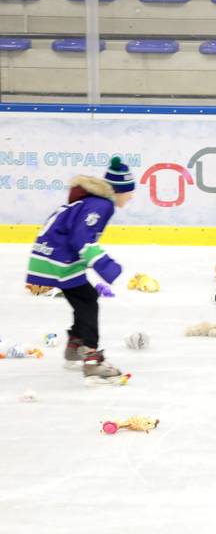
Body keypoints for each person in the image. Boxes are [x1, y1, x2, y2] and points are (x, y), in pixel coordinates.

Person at [25, 157, 135, 384]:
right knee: (87, 301)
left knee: (85, 297)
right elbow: (81, 237)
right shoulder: (102, 205)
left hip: (49, 253)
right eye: (129, 191)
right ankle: (91, 359)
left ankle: (75, 345)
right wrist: (107, 266)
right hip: (58, 257)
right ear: (118, 190)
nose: (131, 196)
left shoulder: (92, 201)